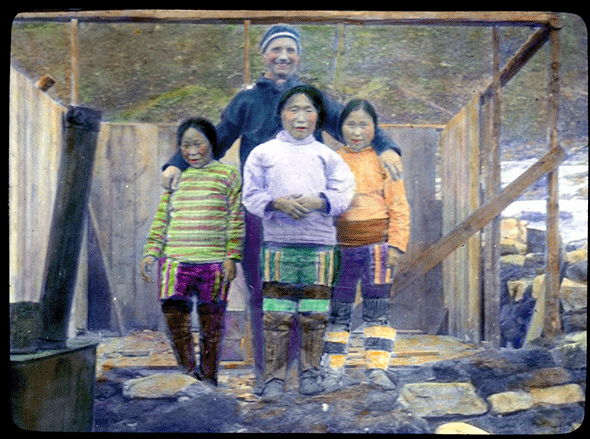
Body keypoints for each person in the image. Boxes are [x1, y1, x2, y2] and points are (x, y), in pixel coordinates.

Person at [160, 24, 403, 391]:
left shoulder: (312, 97)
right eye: (276, 50)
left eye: (291, 50)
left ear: (299, 57)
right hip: (264, 216)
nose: (284, 57)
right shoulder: (246, 101)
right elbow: (218, 138)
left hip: (311, 217)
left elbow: (352, 122)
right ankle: (268, 373)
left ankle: (303, 371)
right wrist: (176, 162)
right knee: (265, 292)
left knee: (311, 293)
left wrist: (386, 146)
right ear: (264, 56)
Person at [242, 85, 355, 401]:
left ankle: (310, 374)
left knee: (314, 314)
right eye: (293, 109)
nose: (301, 117)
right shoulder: (263, 154)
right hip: (278, 246)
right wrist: (277, 204)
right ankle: (274, 378)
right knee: (276, 315)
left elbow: (344, 193)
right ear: (281, 113)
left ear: (318, 116)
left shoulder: (327, 156)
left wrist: (318, 202)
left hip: (319, 248)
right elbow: (250, 194)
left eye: (309, 110)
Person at [140, 117, 245, 387]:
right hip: (176, 262)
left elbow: (236, 218)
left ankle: (209, 378)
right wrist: (151, 251)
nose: (192, 151)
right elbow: (162, 217)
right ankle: (189, 375)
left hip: (213, 265)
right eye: (185, 145)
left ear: (212, 143)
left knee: (212, 328)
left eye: (198, 143)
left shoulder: (228, 175)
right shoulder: (176, 177)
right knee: (177, 324)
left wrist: (232, 256)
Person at [321, 99, 410, 392]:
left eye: (364, 125)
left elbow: (398, 205)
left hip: (378, 249)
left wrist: (396, 245)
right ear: (340, 127)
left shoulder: (384, 160)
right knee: (338, 310)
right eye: (350, 124)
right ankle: (332, 370)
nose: (356, 132)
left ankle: (377, 367)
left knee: (377, 309)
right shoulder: (332, 159)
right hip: (341, 249)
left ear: (374, 128)